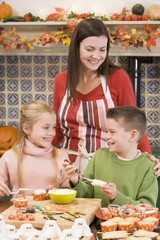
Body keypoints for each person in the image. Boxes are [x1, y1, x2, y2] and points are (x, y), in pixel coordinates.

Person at [52, 18, 160, 175]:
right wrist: (28, 149)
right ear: (76, 48)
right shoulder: (61, 80)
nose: (96, 56)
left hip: (109, 167)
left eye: (102, 49)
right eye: (90, 49)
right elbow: (57, 130)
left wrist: (147, 155)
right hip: (68, 168)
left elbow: (134, 124)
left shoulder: (118, 78)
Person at [63, 105, 158, 207]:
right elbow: (88, 195)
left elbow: (147, 208)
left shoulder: (148, 167)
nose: (107, 136)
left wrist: (116, 197)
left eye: (112, 132)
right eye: (106, 131)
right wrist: (76, 182)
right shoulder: (99, 156)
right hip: (95, 222)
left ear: (133, 135)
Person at [0, 100, 69, 198]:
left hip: (53, 212)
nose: (51, 133)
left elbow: (69, 192)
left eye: (53, 127)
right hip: (19, 212)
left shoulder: (62, 156)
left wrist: (56, 193)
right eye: (46, 127)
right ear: (26, 129)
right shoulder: (9, 157)